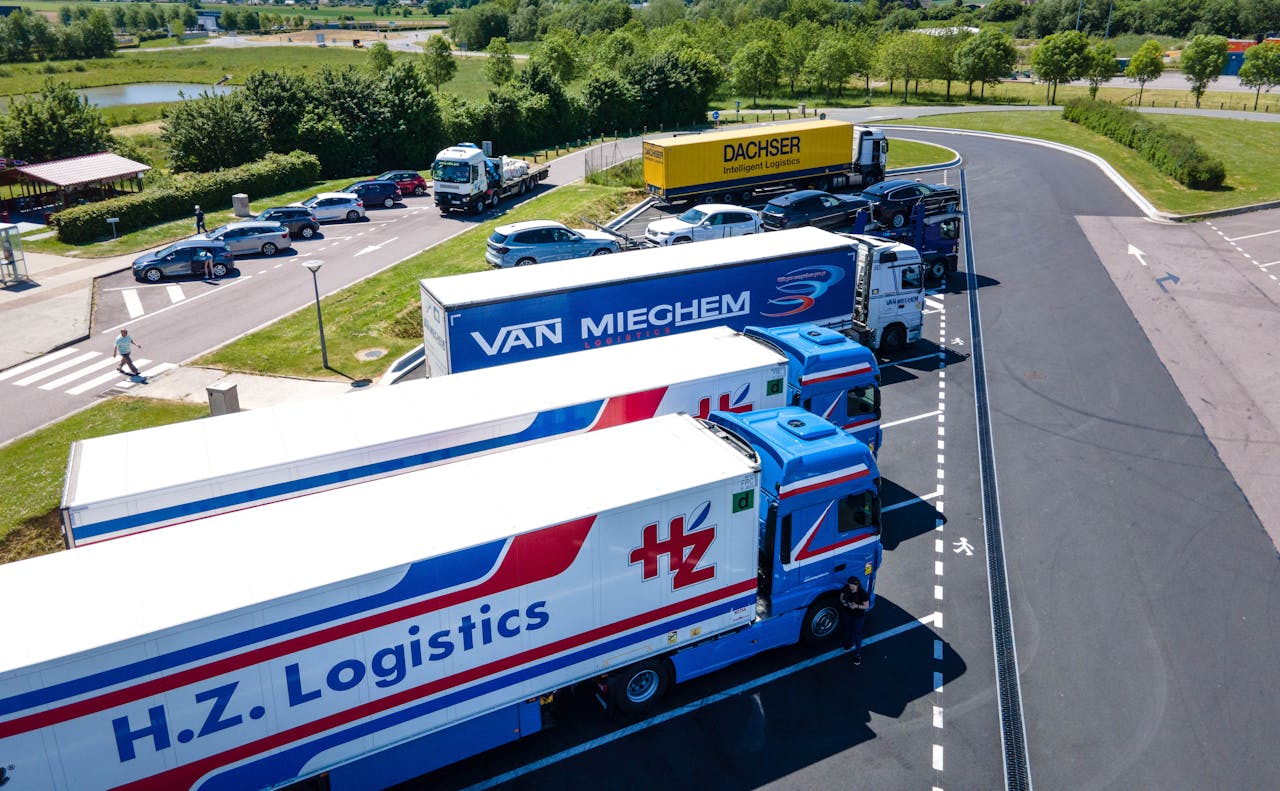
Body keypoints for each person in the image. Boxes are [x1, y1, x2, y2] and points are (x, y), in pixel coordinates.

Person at [840, 575, 870, 665]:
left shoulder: (862, 594)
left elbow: (867, 606)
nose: (851, 587)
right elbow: (841, 595)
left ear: (857, 585)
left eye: (853, 585)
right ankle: (850, 643)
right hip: (849, 613)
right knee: (849, 629)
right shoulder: (846, 588)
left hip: (858, 616)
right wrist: (843, 602)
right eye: (850, 585)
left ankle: (858, 654)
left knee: (857, 634)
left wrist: (856, 606)